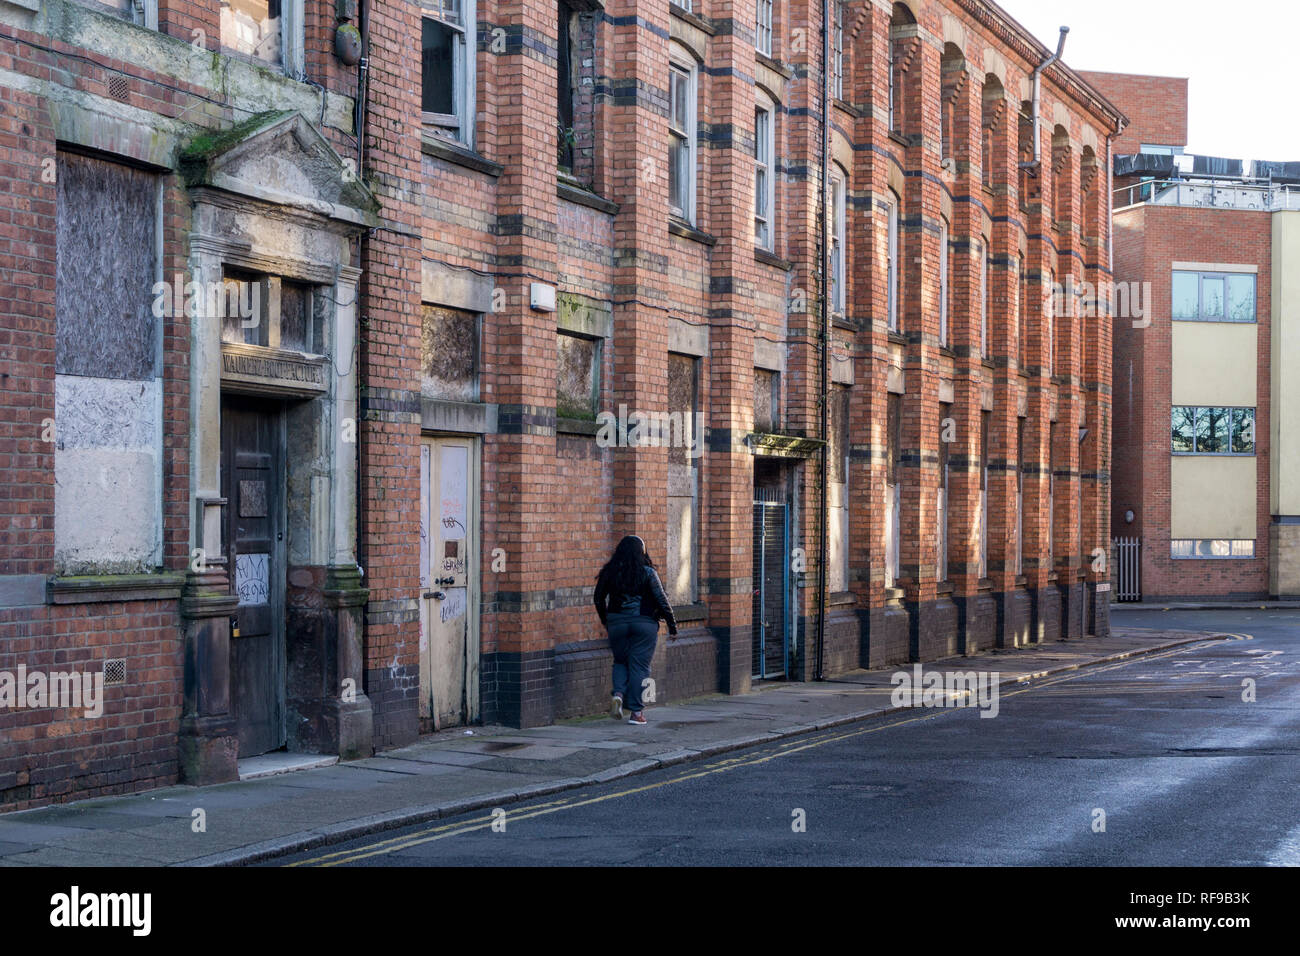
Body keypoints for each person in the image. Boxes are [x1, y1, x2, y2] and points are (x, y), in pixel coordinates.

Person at [592, 534, 677, 725]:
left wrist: (607, 620)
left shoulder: (610, 572)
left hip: (617, 623)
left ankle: (619, 695)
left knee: (621, 661)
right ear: (642, 552)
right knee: (639, 666)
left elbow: (598, 599)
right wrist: (672, 626)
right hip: (644, 624)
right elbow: (662, 600)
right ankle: (637, 713)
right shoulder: (648, 572)